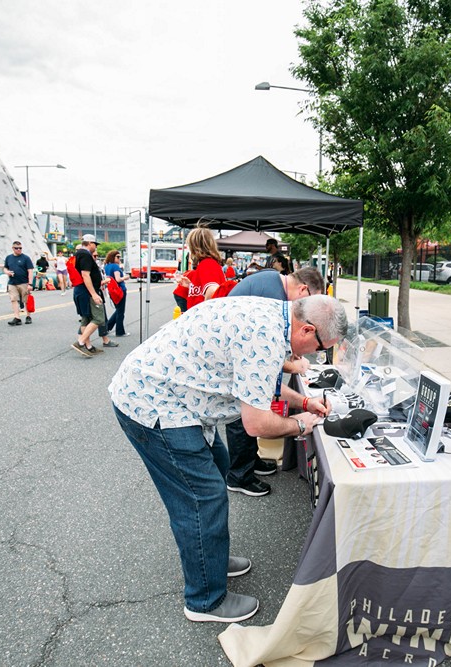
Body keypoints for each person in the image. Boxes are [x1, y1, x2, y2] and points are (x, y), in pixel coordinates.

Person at [109, 294, 346, 623]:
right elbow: (257, 424)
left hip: (170, 397)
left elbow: (261, 384)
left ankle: (210, 560)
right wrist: (300, 426)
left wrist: (303, 404)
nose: (317, 354)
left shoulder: (275, 317)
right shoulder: (264, 339)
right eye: (321, 347)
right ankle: (204, 599)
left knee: (215, 475)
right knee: (201, 500)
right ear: (307, 331)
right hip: (154, 405)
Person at [224, 267, 327, 497]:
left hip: (235, 363)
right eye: (309, 303)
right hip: (233, 369)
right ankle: (240, 475)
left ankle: (250, 460)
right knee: (243, 419)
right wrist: (293, 366)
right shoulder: (274, 298)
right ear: (303, 289)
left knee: (249, 414)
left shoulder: (273, 282)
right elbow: (262, 359)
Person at [71, 234, 115, 356]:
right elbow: (85, 275)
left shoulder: (79, 254)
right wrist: (94, 294)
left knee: (86, 318)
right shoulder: (85, 255)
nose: (96, 247)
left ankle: (88, 346)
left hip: (81, 290)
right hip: (87, 292)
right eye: (95, 244)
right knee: (99, 318)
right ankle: (80, 342)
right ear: (90, 243)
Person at [176, 225, 224, 310]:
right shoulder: (208, 263)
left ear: (194, 246)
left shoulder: (207, 263)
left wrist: (204, 314)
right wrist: (190, 285)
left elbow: (213, 290)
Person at [4, 240, 34, 326]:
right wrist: (7, 272)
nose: (19, 250)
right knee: (14, 299)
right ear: (13, 248)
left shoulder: (26, 258)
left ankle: (28, 316)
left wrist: (30, 283)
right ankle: (17, 318)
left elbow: (30, 271)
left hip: (23, 282)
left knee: (26, 300)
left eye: (20, 248)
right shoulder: (9, 258)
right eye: (16, 248)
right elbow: (5, 267)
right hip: (12, 282)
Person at [103, 249, 128, 337]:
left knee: (118, 309)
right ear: (113, 257)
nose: (119, 258)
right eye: (117, 257)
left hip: (112, 290)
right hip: (120, 289)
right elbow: (118, 279)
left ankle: (108, 327)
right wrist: (125, 277)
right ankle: (120, 331)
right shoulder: (116, 267)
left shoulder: (107, 266)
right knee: (121, 311)